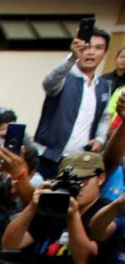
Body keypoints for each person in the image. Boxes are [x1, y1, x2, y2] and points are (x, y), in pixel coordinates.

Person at [2, 150, 106, 264]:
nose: (77, 186)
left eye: (83, 180)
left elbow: (82, 262)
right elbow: (10, 243)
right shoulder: (56, 203)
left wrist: (72, 215)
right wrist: (33, 206)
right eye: (71, 181)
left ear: (101, 178)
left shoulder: (104, 212)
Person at [35, 31, 113, 178]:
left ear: (104, 53)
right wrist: (72, 57)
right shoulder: (65, 77)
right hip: (48, 157)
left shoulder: (104, 85)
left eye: (98, 48)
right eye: (87, 47)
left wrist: (100, 139)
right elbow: (48, 83)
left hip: (79, 164)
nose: (91, 52)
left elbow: (104, 117)